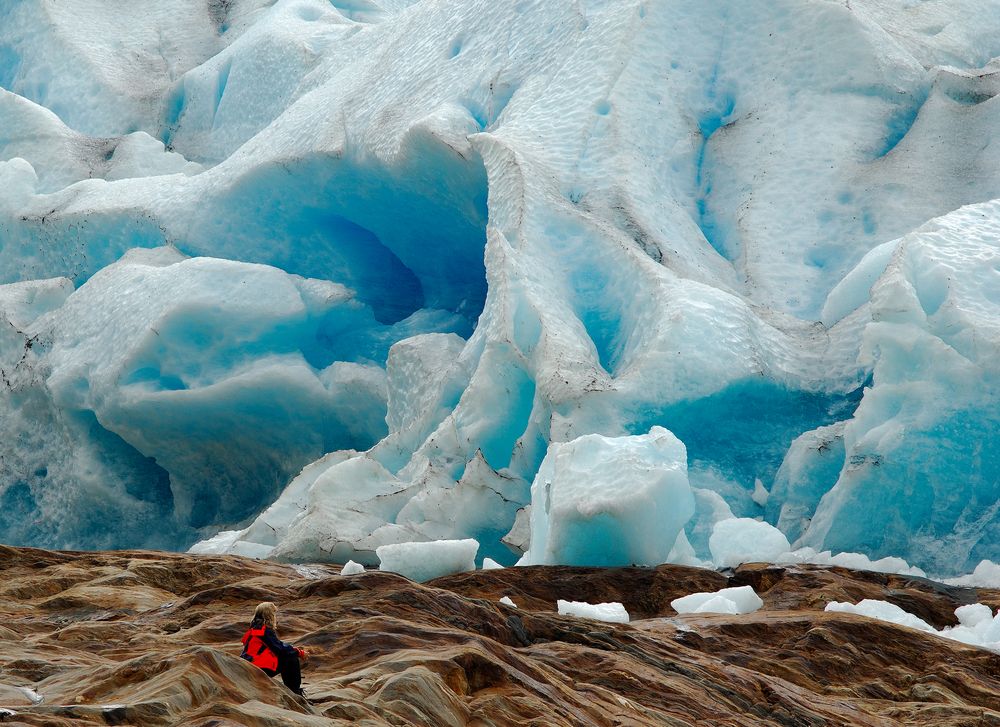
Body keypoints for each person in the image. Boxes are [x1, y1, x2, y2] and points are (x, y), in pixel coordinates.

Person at [240, 601, 308, 696]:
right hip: (258, 668)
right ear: (269, 615)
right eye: (274, 613)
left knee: (288, 655)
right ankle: (295, 692)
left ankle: (293, 691)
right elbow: (280, 649)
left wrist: (293, 650)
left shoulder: (254, 630)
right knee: (291, 659)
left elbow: (277, 646)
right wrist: (299, 652)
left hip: (249, 666)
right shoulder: (263, 631)